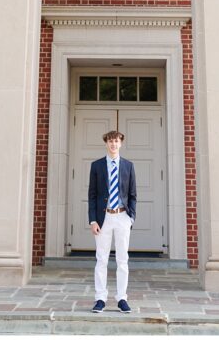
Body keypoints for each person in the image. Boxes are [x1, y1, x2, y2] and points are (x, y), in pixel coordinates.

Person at [88, 129, 137, 313]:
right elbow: (92, 195)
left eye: (116, 141)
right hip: (104, 218)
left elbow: (133, 194)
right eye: (110, 141)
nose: (113, 144)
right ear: (106, 143)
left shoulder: (128, 166)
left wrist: (131, 218)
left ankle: (121, 298)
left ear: (121, 143)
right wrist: (93, 220)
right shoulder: (97, 166)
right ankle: (100, 298)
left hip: (122, 216)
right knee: (101, 259)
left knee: (122, 260)